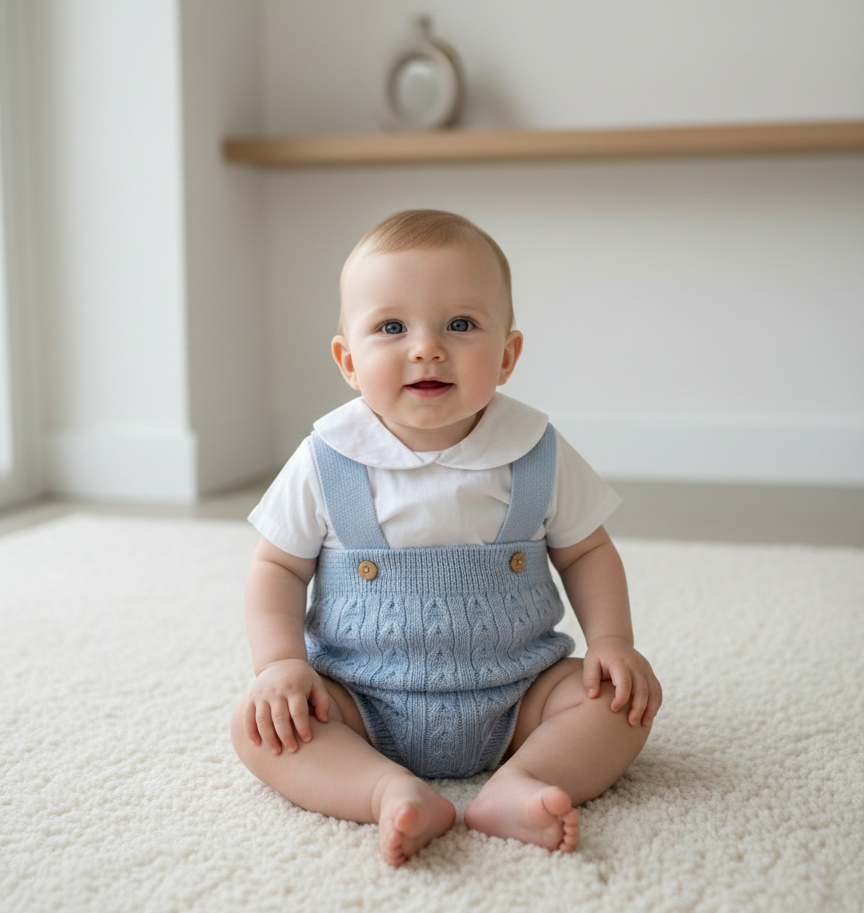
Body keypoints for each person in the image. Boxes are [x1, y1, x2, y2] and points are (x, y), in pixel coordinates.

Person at [231, 209, 662, 867]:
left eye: (460, 324)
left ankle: (522, 782)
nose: (426, 346)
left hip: (520, 693)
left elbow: (588, 550)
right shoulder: (327, 457)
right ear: (349, 360)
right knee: (258, 729)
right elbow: (277, 569)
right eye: (392, 327)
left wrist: (611, 643)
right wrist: (281, 665)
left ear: (509, 355)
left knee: (620, 705)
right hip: (359, 697)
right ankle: (384, 788)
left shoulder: (535, 450)